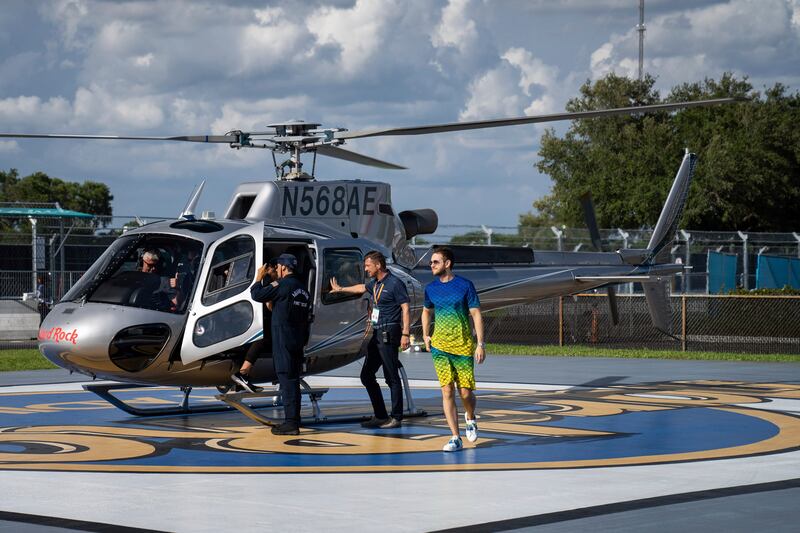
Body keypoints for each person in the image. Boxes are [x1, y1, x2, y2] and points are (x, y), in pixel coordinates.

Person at [330, 250, 410, 429]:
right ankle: (381, 415)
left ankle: (396, 417)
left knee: (391, 377)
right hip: (377, 332)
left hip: (389, 331)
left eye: (367, 265)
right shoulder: (375, 283)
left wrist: (405, 333)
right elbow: (360, 287)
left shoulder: (395, 283)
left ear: (378, 265)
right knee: (366, 375)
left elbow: (405, 307)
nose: (365, 269)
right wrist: (340, 289)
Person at [421, 246, 486, 452]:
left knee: (465, 392)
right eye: (431, 262)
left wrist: (480, 344)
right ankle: (455, 437)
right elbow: (425, 311)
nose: (431, 265)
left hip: (463, 345)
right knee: (447, 390)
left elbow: (476, 314)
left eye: (435, 262)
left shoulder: (465, 285)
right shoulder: (430, 288)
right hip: (439, 346)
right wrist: (425, 334)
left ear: (447, 264)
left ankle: (470, 416)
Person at [250, 253, 311, 436]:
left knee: (286, 381)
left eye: (277, 267)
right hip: (297, 339)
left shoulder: (282, 285)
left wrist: (259, 278)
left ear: (283, 267)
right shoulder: (302, 288)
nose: (276, 270)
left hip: (283, 340)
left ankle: (291, 423)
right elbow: (276, 307)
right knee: (293, 379)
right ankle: (294, 419)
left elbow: (257, 294)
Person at [232, 258, 279, 393]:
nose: (273, 272)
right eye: (272, 269)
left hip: (252, 318)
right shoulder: (273, 281)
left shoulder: (265, 280)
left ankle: (242, 377)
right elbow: (268, 304)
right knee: (263, 338)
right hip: (260, 320)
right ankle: (243, 373)